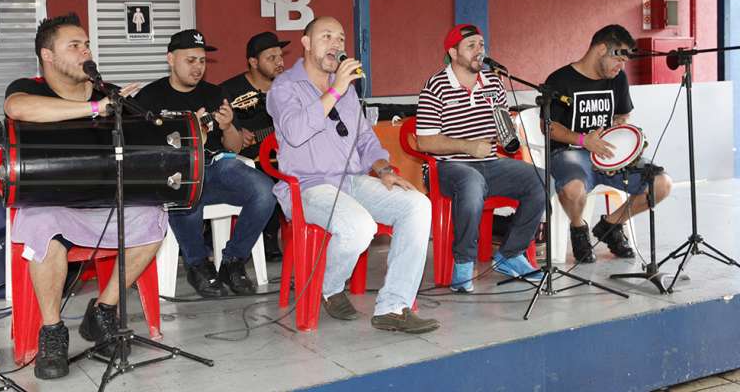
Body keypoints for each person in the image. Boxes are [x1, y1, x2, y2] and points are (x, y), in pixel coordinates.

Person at [4, 13, 165, 380]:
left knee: (153, 218)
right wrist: (94, 110)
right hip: (51, 202)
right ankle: (52, 331)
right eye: (74, 46)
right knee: (41, 226)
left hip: (104, 202)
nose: (85, 51)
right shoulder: (29, 88)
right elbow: (17, 109)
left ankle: (103, 311)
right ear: (48, 55)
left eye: (87, 44)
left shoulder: (109, 93)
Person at [267, 16, 439, 334]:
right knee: (359, 227)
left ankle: (393, 306)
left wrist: (384, 170)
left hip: (351, 181)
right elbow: (294, 132)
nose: (336, 44)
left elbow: (365, 139)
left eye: (341, 38)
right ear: (305, 43)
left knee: (417, 205)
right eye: (327, 36)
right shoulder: (284, 87)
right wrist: (336, 89)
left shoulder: (345, 89)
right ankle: (328, 287)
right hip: (307, 186)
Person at [135, 29, 276, 297]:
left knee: (265, 192)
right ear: (170, 59)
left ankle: (233, 262)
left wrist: (226, 127)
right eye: (190, 60)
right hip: (175, 174)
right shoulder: (150, 97)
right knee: (186, 187)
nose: (198, 68)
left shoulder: (214, 93)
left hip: (216, 168)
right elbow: (141, 151)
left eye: (201, 61)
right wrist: (188, 139)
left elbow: (234, 147)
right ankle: (197, 265)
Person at [415, 24, 545, 292]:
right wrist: (468, 147)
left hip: (490, 163)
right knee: (472, 182)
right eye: (471, 46)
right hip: (448, 167)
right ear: (453, 52)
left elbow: (502, 129)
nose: (479, 51)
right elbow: (425, 141)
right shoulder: (436, 85)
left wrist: (510, 138)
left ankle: (510, 254)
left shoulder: (494, 82)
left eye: (481, 45)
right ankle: (463, 263)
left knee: (541, 180)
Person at [544, 24, 672, 263]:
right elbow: (549, 127)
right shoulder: (560, 79)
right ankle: (578, 228)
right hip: (571, 152)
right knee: (572, 189)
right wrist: (584, 140)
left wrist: (622, 146)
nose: (621, 67)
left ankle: (611, 225)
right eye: (619, 58)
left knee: (661, 184)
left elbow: (622, 116)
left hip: (609, 153)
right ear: (601, 49)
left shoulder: (618, 78)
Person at [221, 31, 289, 260]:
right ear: (253, 62)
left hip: (286, 157)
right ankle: (263, 237)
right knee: (265, 178)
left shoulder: (289, 88)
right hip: (249, 162)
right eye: (271, 58)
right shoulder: (229, 91)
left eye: (280, 56)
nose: (280, 63)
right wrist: (236, 133)